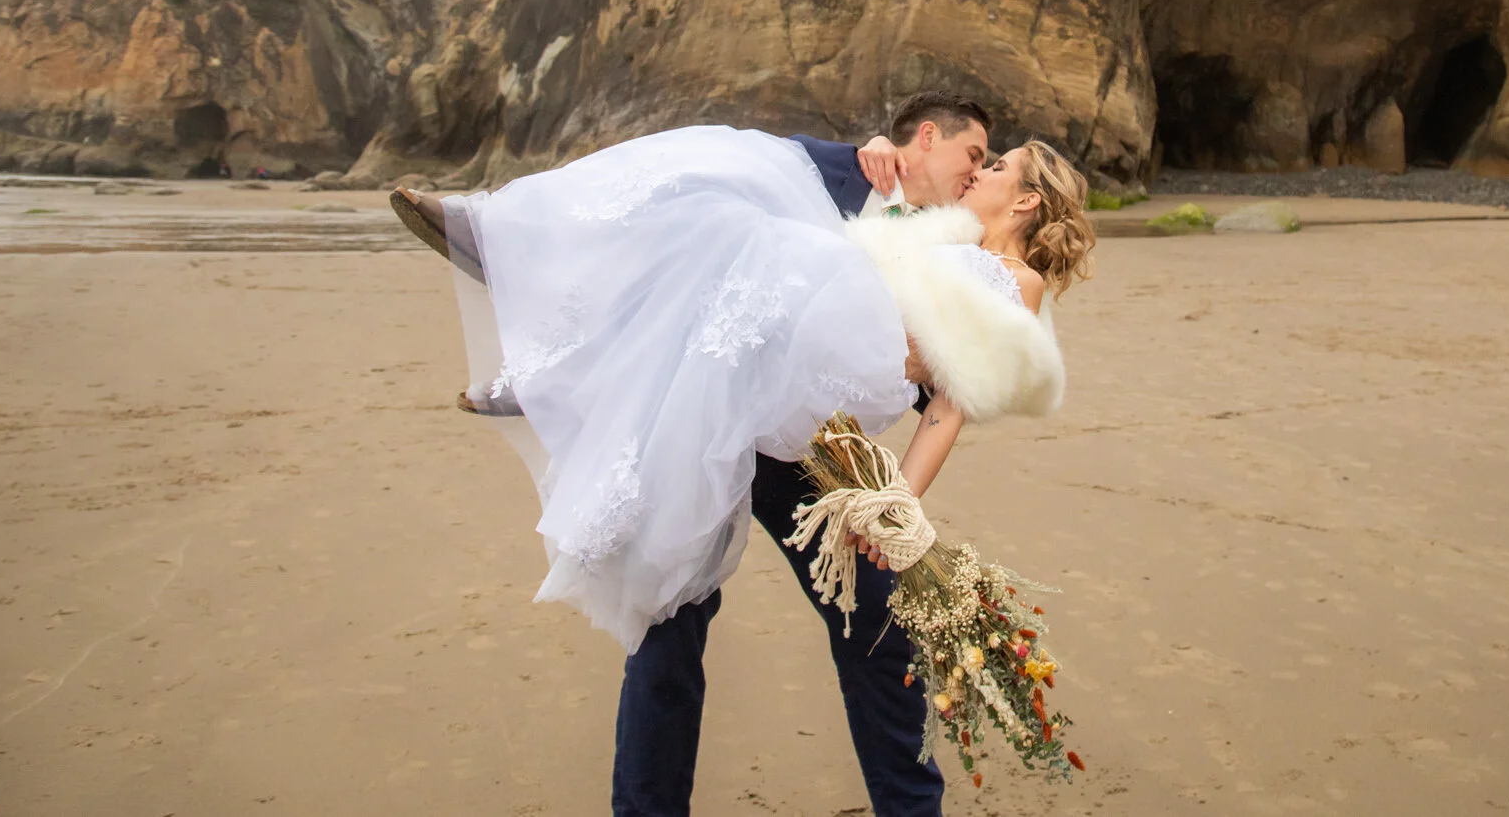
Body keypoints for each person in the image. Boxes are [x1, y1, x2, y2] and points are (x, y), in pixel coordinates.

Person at [390, 93, 1096, 816]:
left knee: (878, 623)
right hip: (737, 385)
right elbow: (850, 221)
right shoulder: (901, 200)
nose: (978, 171)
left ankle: (912, 809)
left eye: (993, 163)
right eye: (976, 154)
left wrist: (891, 503)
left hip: (816, 432)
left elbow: (948, 403)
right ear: (924, 137)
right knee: (672, 609)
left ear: (1028, 199)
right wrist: (881, 173)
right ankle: (533, 323)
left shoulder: (1004, 275)